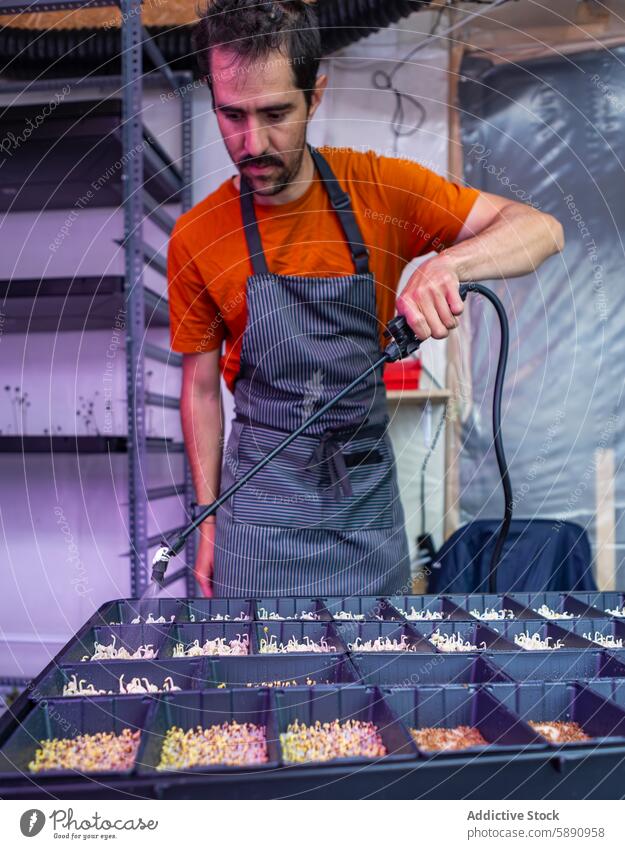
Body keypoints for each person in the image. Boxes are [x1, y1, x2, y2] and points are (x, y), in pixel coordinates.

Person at [167, 0, 564, 598]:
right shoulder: (197, 236)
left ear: (315, 95)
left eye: (276, 113)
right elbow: (199, 391)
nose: (253, 142)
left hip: (365, 513)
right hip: (257, 519)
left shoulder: (381, 190)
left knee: (373, 683)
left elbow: (542, 230)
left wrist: (449, 264)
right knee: (261, 687)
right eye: (232, 116)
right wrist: (205, 519)